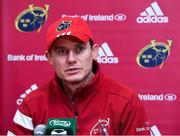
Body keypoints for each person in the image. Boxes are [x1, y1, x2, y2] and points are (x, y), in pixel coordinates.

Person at [8, 16, 150, 135]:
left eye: (79, 49)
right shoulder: (32, 105)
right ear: (50, 57)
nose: (71, 59)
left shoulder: (126, 102)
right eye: (61, 51)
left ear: (94, 52)